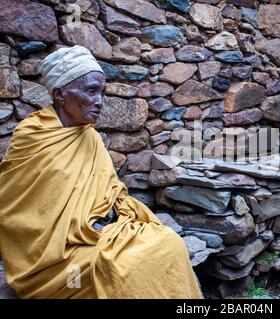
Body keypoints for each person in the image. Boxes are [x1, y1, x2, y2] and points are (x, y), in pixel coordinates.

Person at [0, 45, 203, 299]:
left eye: (102, 92)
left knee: (168, 243)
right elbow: (18, 210)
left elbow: (110, 191)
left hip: (100, 230)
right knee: (128, 267)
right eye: (91, 91)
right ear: (61, 94)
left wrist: (115, 218)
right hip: (56, 257)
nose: (99, 101)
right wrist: (84, 229)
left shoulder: (90, 136)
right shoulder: (32, 137)